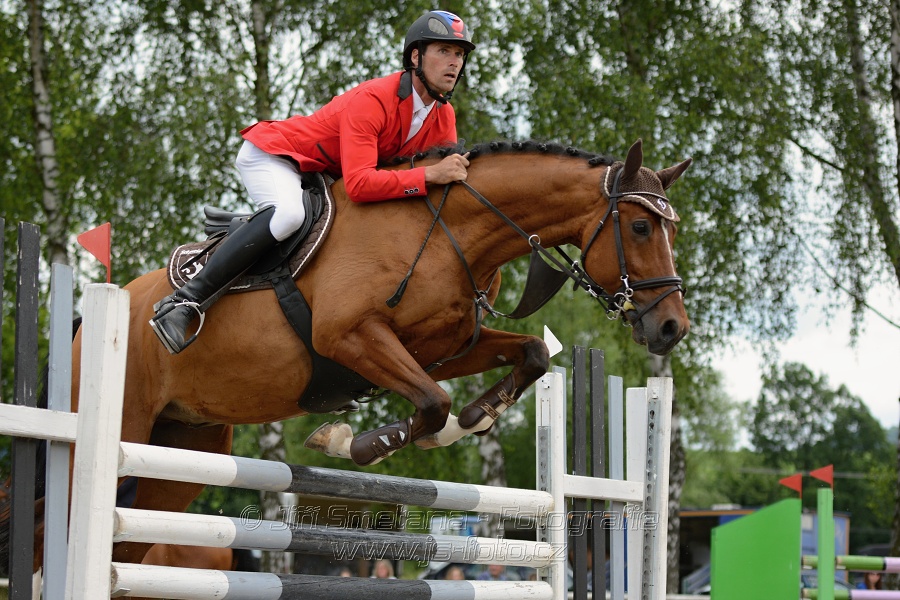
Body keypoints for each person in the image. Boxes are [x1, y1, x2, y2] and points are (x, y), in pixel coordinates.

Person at [149, 10, 475, 354]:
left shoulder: (443, 116)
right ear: (415, 56)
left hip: (319, 177)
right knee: (289, 215)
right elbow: (361, 185)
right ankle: (184, 303)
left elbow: (435, 191)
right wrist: (428, 175)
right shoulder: (374, 99)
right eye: (443, 51)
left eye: (459, 54)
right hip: (277, 156)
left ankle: (248, 228)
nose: (454, 62)